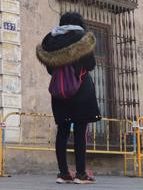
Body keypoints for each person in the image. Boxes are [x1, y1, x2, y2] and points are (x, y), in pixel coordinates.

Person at [36, 12, 100, 184]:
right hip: (81, 90)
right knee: (80, 132)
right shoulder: (83, 38)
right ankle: (81, 174)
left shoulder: (51, 40)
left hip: (59, 92)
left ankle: (63, 173)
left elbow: (50, 70)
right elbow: (90, 65)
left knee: (62, 131)